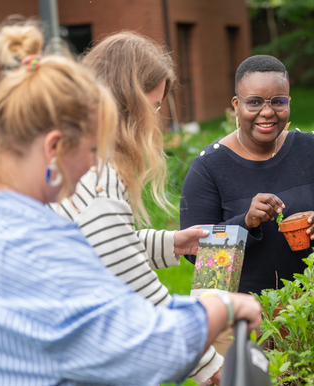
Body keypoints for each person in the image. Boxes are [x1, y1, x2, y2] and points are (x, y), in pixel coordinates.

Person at [0, 22, 261, 386]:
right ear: (53, 147)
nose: (93, 167)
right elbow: (141, 346)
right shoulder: (40, 244)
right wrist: (223, 309)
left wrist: (166, 244)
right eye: (93, 149)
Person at [50, 31, 224, 384]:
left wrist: (170, 243)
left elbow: (96, 243)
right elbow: (139, 291)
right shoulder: (97, 175)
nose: (157, 118)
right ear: (129, 103)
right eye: (155, 105)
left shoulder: (70, 153)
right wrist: (210, 365)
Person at [180, 55, 314, 296]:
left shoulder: (308, 148)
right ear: (236, 105)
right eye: (254, 102)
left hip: (307, 303)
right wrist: (245, 222)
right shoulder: (209, 166)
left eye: (278, 101)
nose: (267, 112)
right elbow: (193, 253)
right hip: (241, 309)